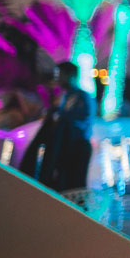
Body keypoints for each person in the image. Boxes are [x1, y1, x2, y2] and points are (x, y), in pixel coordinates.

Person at [20, 61, 95, 191]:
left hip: (75, 147)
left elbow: (80, 121)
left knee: (72, 186)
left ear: (70, 76)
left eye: (60, 75)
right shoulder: (63, 96)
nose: (57, 79)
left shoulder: (82, 97)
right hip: (64, 146)